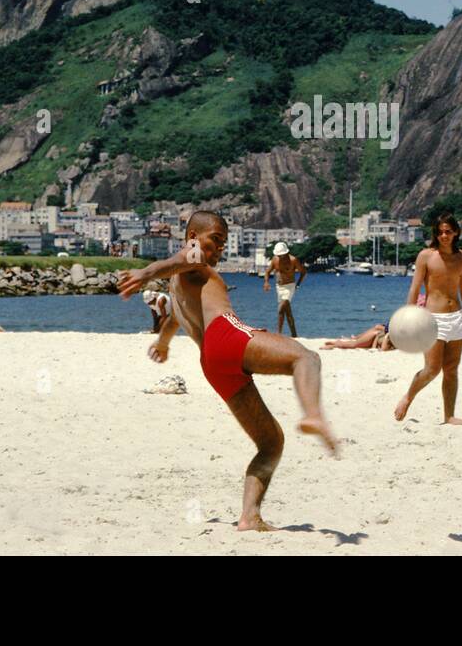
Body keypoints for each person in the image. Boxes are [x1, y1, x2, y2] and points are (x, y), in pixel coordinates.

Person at [117, 210, 337, 532]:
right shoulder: (195, 259)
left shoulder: (180, 284)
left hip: (212, 364)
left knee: (271, 442)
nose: (218, 250)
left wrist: (163, 343)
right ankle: (314, 414)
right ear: (192, 236)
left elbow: (175, 318)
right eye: (214, 240)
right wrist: (146, 272)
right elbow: (180, 258)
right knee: (306, 358)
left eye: (223, 243)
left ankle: (249, 517)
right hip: (226, 336)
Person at [394, 212, 462, 424]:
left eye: (448, 231)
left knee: (451, 370)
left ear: (456, 232)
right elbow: (414, 288)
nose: (444, 236)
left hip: (455, 318)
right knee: (432, 369)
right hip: (432, 319)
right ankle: (408, 397)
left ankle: (449, 416)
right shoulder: (426, 256)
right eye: (440, 232)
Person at [263, 241, 306, 337]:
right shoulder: (275, 260)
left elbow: (303, 272)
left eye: (282, 255)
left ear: (286, 253)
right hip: (279, 287)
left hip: (290, 286)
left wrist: (298, 284)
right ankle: (294, 334)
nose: (280, 257)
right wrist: (266, 282)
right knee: (287, 312)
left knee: (281, 307)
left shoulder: (293, 260)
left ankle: (278, 334)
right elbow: (267, 272)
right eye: (279, 255)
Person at [322, 322, 395, 351]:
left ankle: (336, 344)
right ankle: (336, 345)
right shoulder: (388, 336)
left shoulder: (388, 337)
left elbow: (383, 348)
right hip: (374, 337)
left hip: (374, 337)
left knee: (354, 344)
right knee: (354, 344)